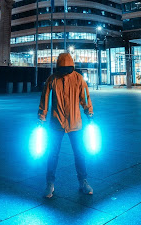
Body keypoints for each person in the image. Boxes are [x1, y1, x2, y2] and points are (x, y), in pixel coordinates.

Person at [38, 53, 94, 198]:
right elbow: (45, 98)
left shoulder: (78, 78)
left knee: (79, 153)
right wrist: (41, 116)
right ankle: (50, 183)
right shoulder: (52, 79)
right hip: (57, 123)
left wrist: (89, 112)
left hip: (75, 122)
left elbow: (85, 97)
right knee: (53, 154)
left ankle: (83, 181)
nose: (64, 72)